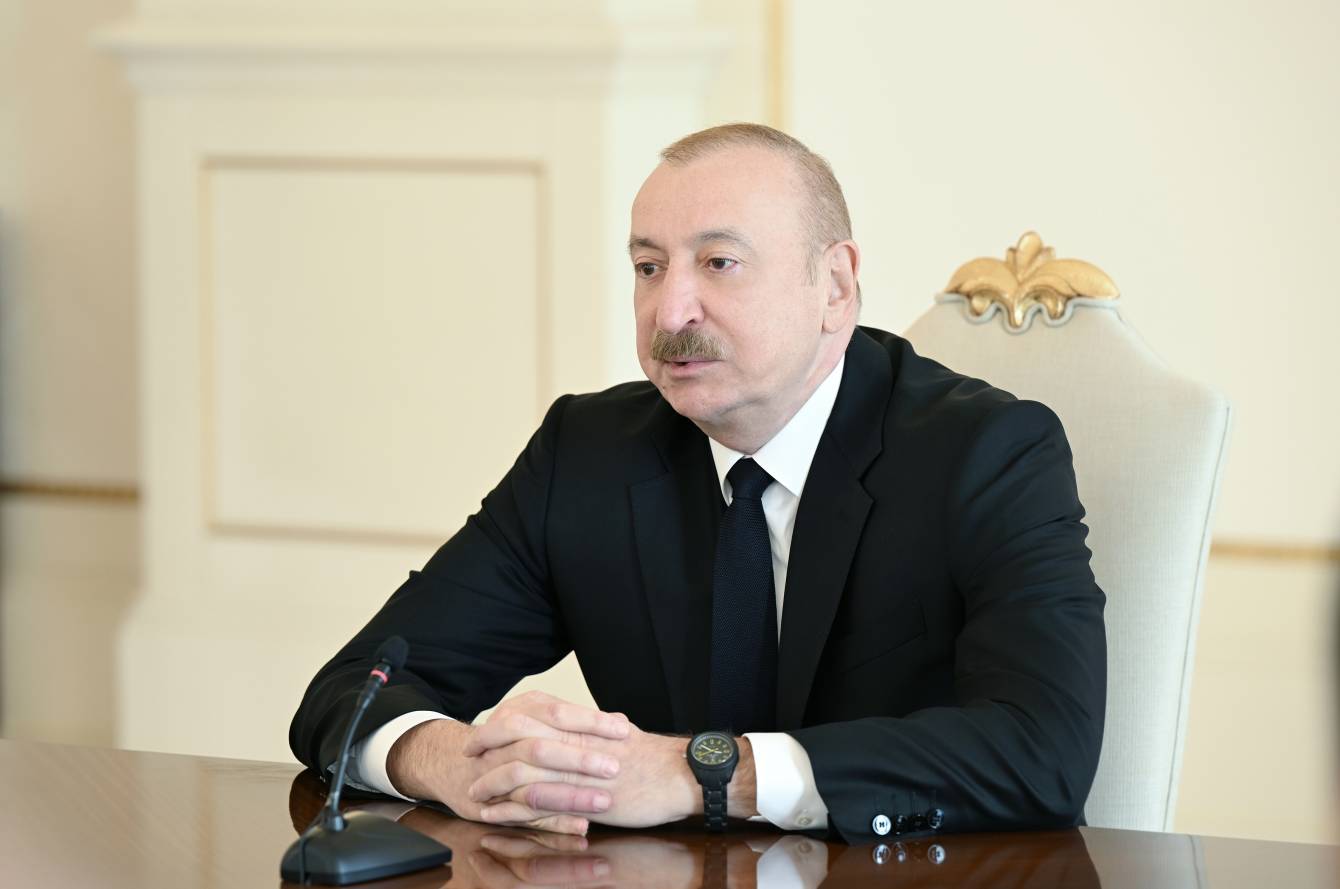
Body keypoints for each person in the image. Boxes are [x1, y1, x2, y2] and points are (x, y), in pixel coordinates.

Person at [289, 123, 1107, 844]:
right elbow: (348, 692)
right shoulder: (587, 455)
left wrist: (704, 774)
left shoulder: (987, 453)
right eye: (648, 267)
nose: (670, 310)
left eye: (719, 262)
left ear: (835, 285)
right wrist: (456, 761)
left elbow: (1043, 752)